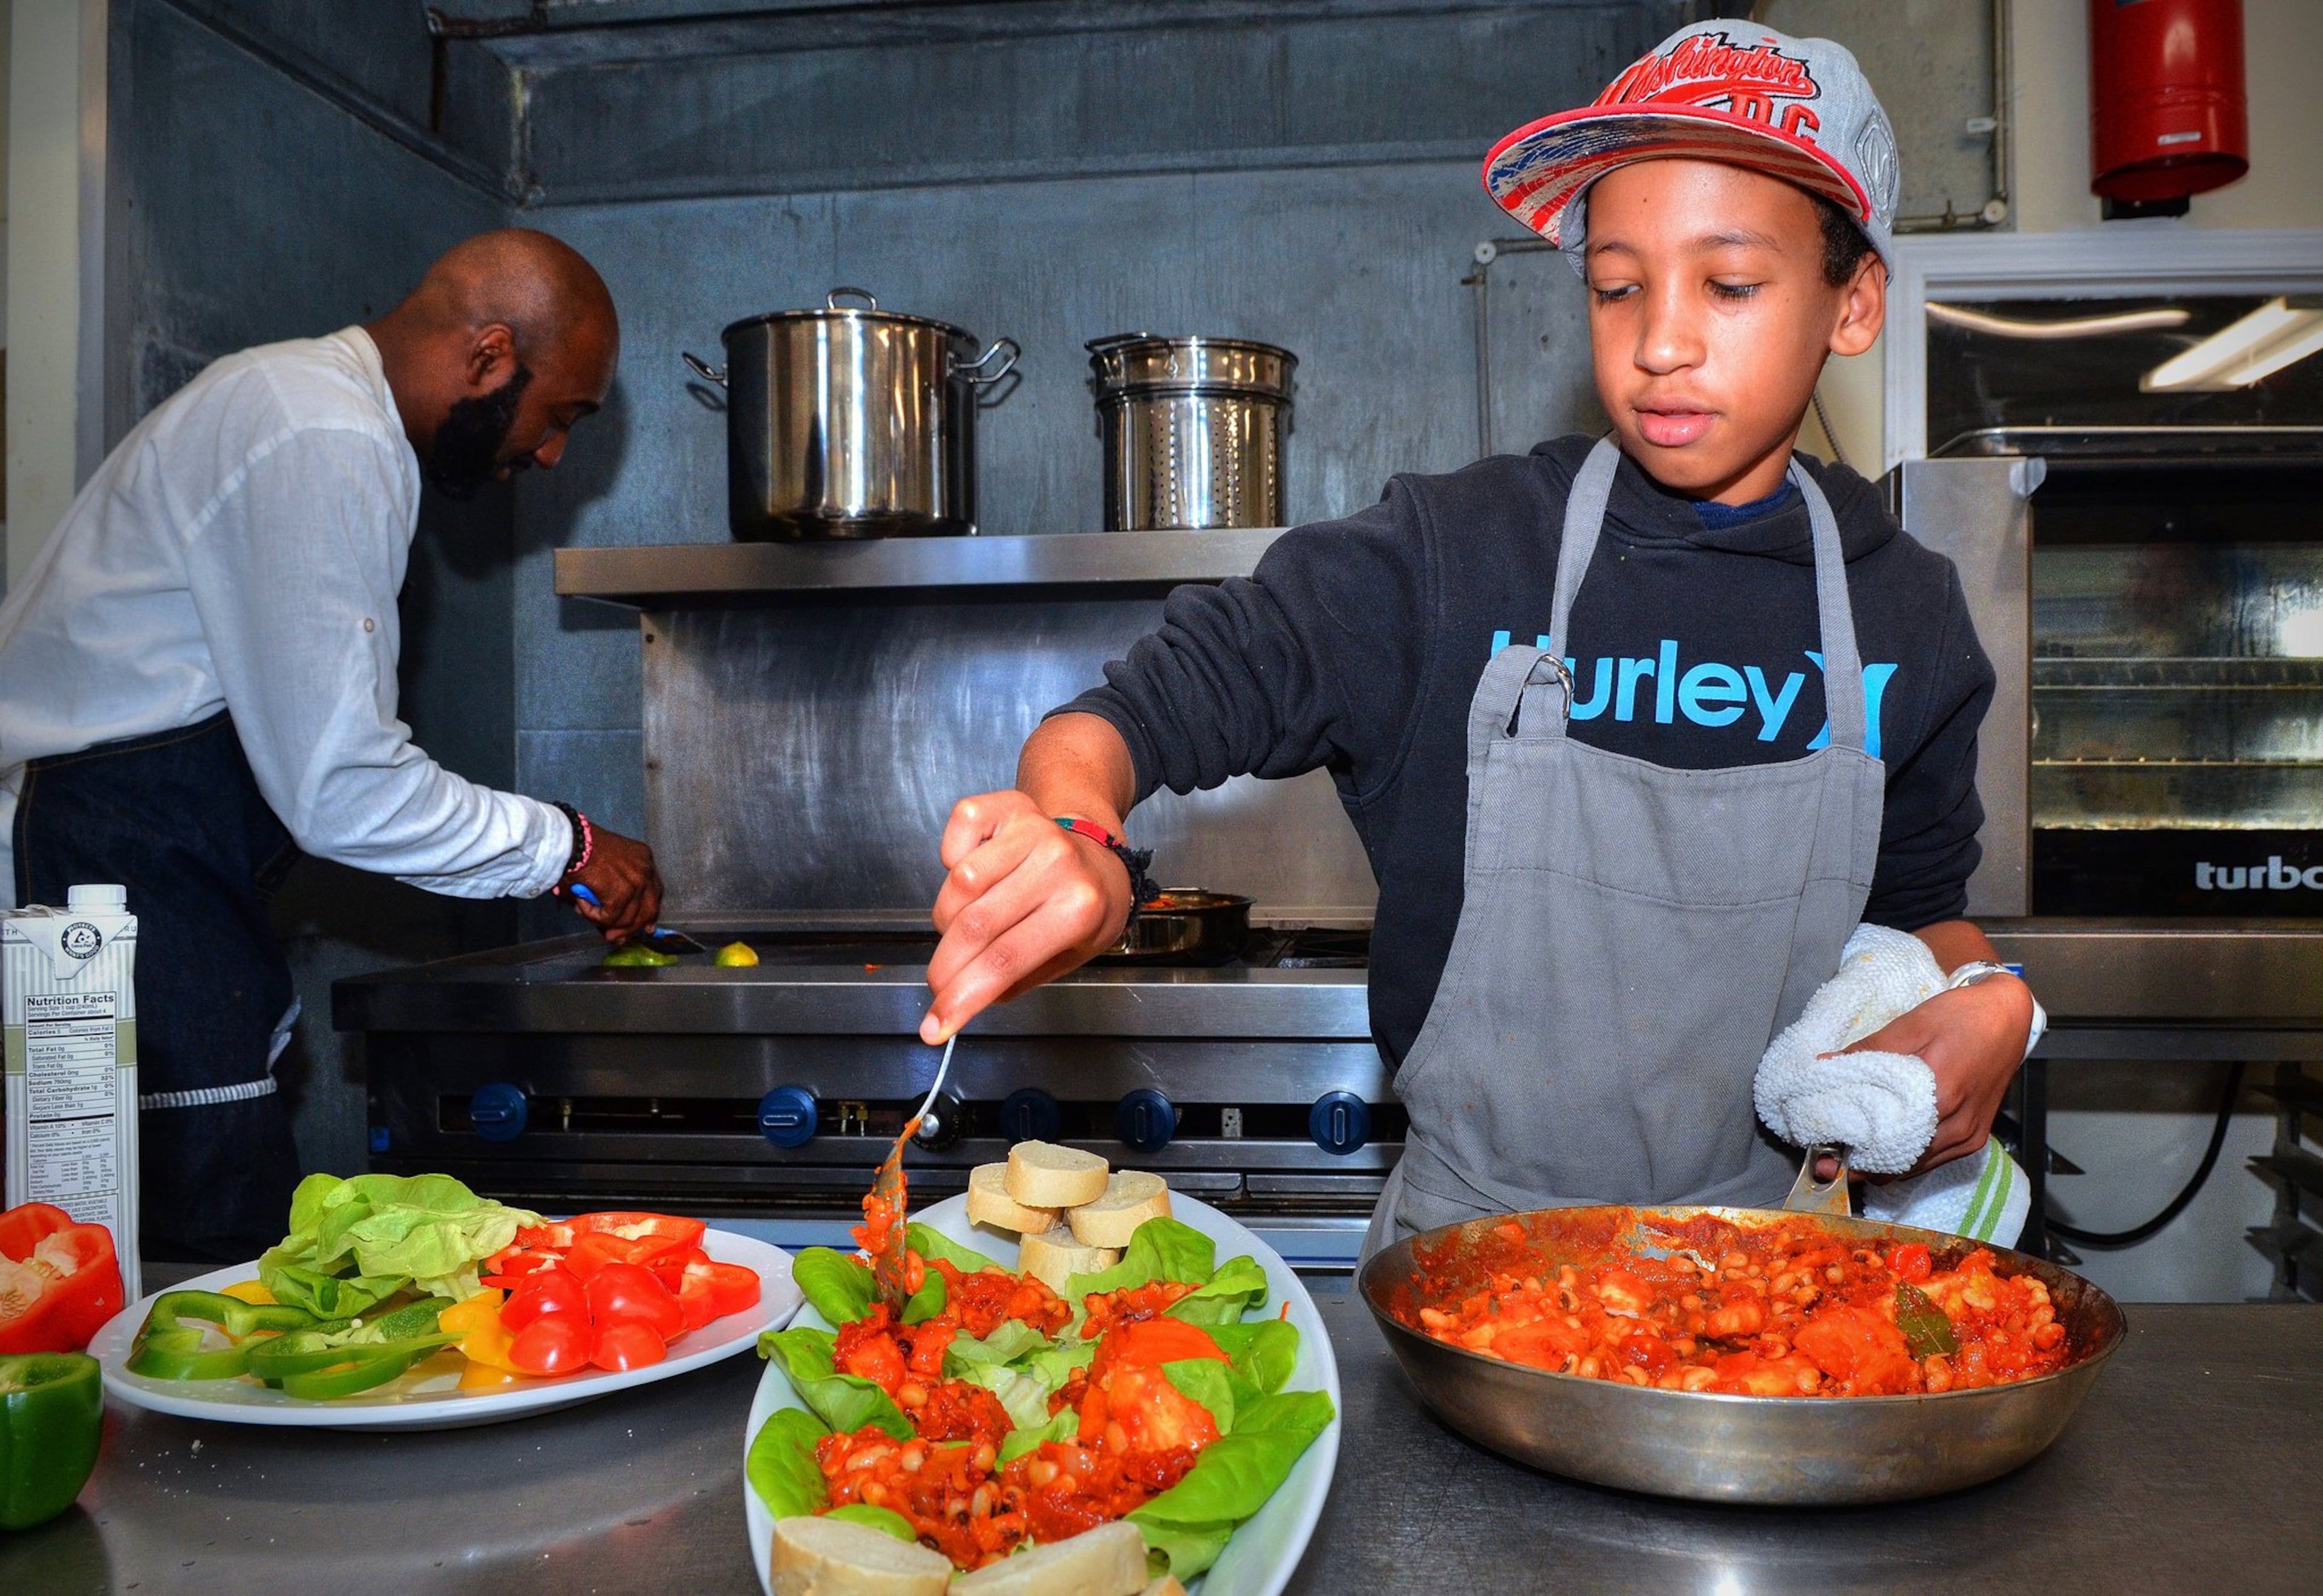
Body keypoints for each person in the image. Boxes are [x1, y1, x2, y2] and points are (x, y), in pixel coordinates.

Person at [917, 22, 2040, 1255]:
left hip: (1785, 1273)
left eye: (1728, 284)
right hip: (1475, 1271)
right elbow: (1138, 711)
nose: (1660, 339)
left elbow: (1920, 916)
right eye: (1618, 285)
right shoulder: (1457, 554)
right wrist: (1073, 829)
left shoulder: (1908, 611)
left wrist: (1987, 1000)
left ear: (1856, 300)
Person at [0, 229, 662, 1260]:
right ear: (489, 356)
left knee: (191, 1266)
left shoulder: (321, 416)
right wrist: (570, 845)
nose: (548, 453)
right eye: (559, 415)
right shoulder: (323, 432)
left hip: (157, 866)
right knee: (176, 1276)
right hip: (101, 866)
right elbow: (341, 786)